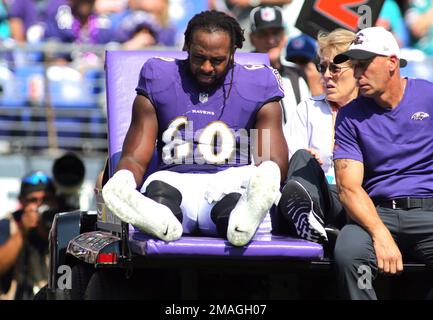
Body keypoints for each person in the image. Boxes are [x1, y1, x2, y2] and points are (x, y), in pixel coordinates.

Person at [101, 10, 288, 247]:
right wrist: (125, 179)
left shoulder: (258, 83)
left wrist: (264, 175)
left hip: (229, 182)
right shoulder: (159, 76)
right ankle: (155, 217)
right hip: (174, 178)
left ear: (233, 53)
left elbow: (270, 160)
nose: (207, 67)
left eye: (217, 60)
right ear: (186, 47)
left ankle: (240, 222)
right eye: (199, 58)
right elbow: (137, 155)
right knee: (159, 193)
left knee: (237, 202)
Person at [331, 26, 433, 300]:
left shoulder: (428, 97)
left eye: (364, 64)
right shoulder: (349, 116)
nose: (357, 73)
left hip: (429, 212)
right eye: (354, 66)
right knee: (349, 254)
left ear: (391, 63)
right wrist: (379, 233)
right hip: (376, 213)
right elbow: (348, 188)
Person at [277, 28, 357, 244]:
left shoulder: (370, 112)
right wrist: (304, 160)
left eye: (335, 68)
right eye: (323, 67)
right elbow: (288, 161)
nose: (326, 75)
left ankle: (322, 229)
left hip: (356, 198)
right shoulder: (308, 108)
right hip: (318, 195)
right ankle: (313, 222)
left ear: (357, 70)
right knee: (302, 157)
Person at [0, 171, 58, 300]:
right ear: (21, 201)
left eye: (46, 199)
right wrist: (22, 232)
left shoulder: (63, 224)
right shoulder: (8, 225)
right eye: (33, 200)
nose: (40, 205)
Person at [249, 5, 310, 124]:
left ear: (284, 36)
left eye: (276, 33)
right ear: (252, 39)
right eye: (263, 34)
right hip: (259, 141)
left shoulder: (297, 73)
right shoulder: (241, 74)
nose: (271, 40)